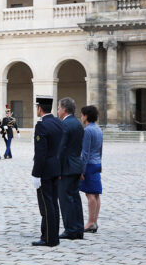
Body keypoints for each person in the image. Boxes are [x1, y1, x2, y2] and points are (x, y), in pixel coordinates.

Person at [31, 95, 62, 247]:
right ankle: (53, 235)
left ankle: (48, 238)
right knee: (54, 203)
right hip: (56, 168)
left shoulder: (42, 125)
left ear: (40, 108)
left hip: (45, 171)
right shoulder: (58, 122)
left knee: (46, 205)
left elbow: (40, 152)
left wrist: (36, 174)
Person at [57, 97, 85, 240]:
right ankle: (79, 228)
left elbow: (61, 149)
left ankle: (70, 230)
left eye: (58, 108)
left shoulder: (65, 125)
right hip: (76, 165)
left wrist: (58, 169)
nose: (57, 111)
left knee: (65, 199)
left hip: (66, 168)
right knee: (75, 198)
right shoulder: (78, 124)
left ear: (64, 109)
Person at [79, 105, 103, 233]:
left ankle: (89, 222)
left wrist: (81, 170)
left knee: (90, 194)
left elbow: (85, 153)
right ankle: (95, 221)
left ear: (86, 116)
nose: (81, 117)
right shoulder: (98, 129)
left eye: (82, 115)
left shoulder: (87, 130)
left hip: (89, 165)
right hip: (97, 163)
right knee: (96, 194)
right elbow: (100, 150)